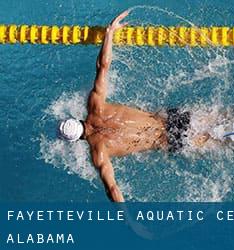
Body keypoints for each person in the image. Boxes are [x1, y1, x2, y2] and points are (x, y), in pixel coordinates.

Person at [58, 11, 210, 202]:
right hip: (172, 118)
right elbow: (103, 66)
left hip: (171, 140)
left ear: (76, 140)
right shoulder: (95, 105)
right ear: (76, 119)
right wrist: (109, 33)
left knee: (228, 141)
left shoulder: (99, 152)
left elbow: (112, 189)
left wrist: (128, 221)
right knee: (226, 118)